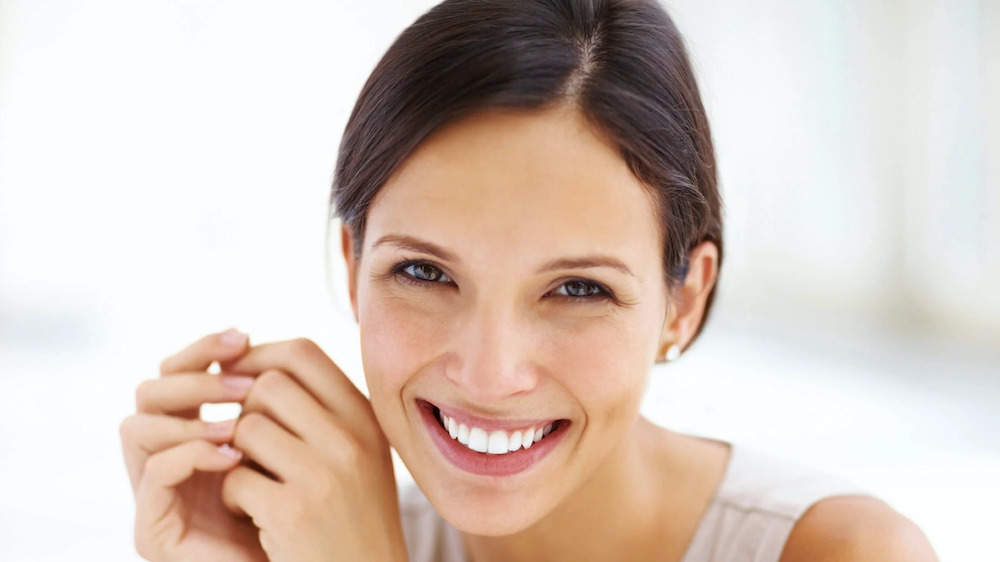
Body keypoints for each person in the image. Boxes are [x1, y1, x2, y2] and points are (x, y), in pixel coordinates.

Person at [119, 0, 938, 560]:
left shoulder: (844, 553)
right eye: (423, 271)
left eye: (578, 288)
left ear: (681, 302)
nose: (490, 374)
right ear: (351, 268)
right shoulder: (317, 541)